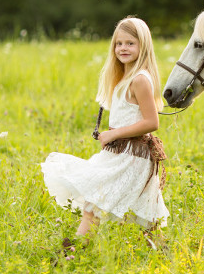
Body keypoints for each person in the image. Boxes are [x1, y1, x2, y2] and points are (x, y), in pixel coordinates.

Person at [41, 17, 169, 242]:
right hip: (119, 153)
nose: (123, 48)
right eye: (119, 43)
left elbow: (152, 122)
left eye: (130, 43)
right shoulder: (126, 78)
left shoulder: (139, 80)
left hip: (131, 156)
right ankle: (158, 251)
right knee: (109, 208)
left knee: (102, 207)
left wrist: (114, 133)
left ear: (143, 45)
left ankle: (74, 251)